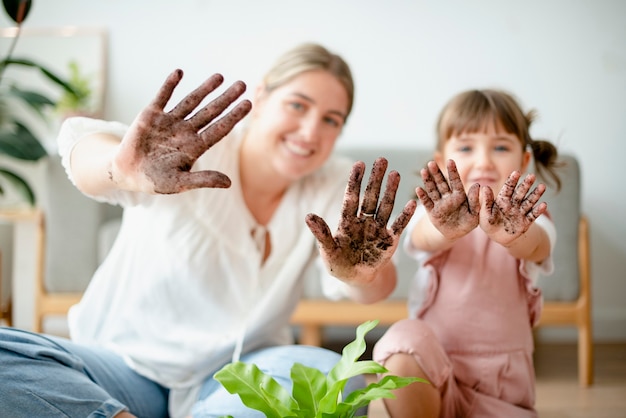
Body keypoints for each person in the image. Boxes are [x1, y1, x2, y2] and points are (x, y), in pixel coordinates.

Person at [0, 43, 416, 418]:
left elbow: (374, 289)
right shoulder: (190, 150)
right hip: (121, 371)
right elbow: (83, 147)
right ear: (264, 94)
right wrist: (121, 169)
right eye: (297, 105)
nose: (311, 132)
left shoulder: (335, 183)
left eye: (331, 119)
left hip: (236, 382)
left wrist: (359, 275)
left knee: (328, 375)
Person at [372, 88, 562, 417]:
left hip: (502, 394)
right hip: (433, 380)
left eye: (501, 147)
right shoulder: (431, 216)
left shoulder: (531, 220)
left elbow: (537, 245)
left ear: (524, 160)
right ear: (441, 160)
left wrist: (513, 234)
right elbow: (421, 239)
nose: (484, 161)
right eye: (465, 147)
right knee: (401, 340)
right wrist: (445, 227)